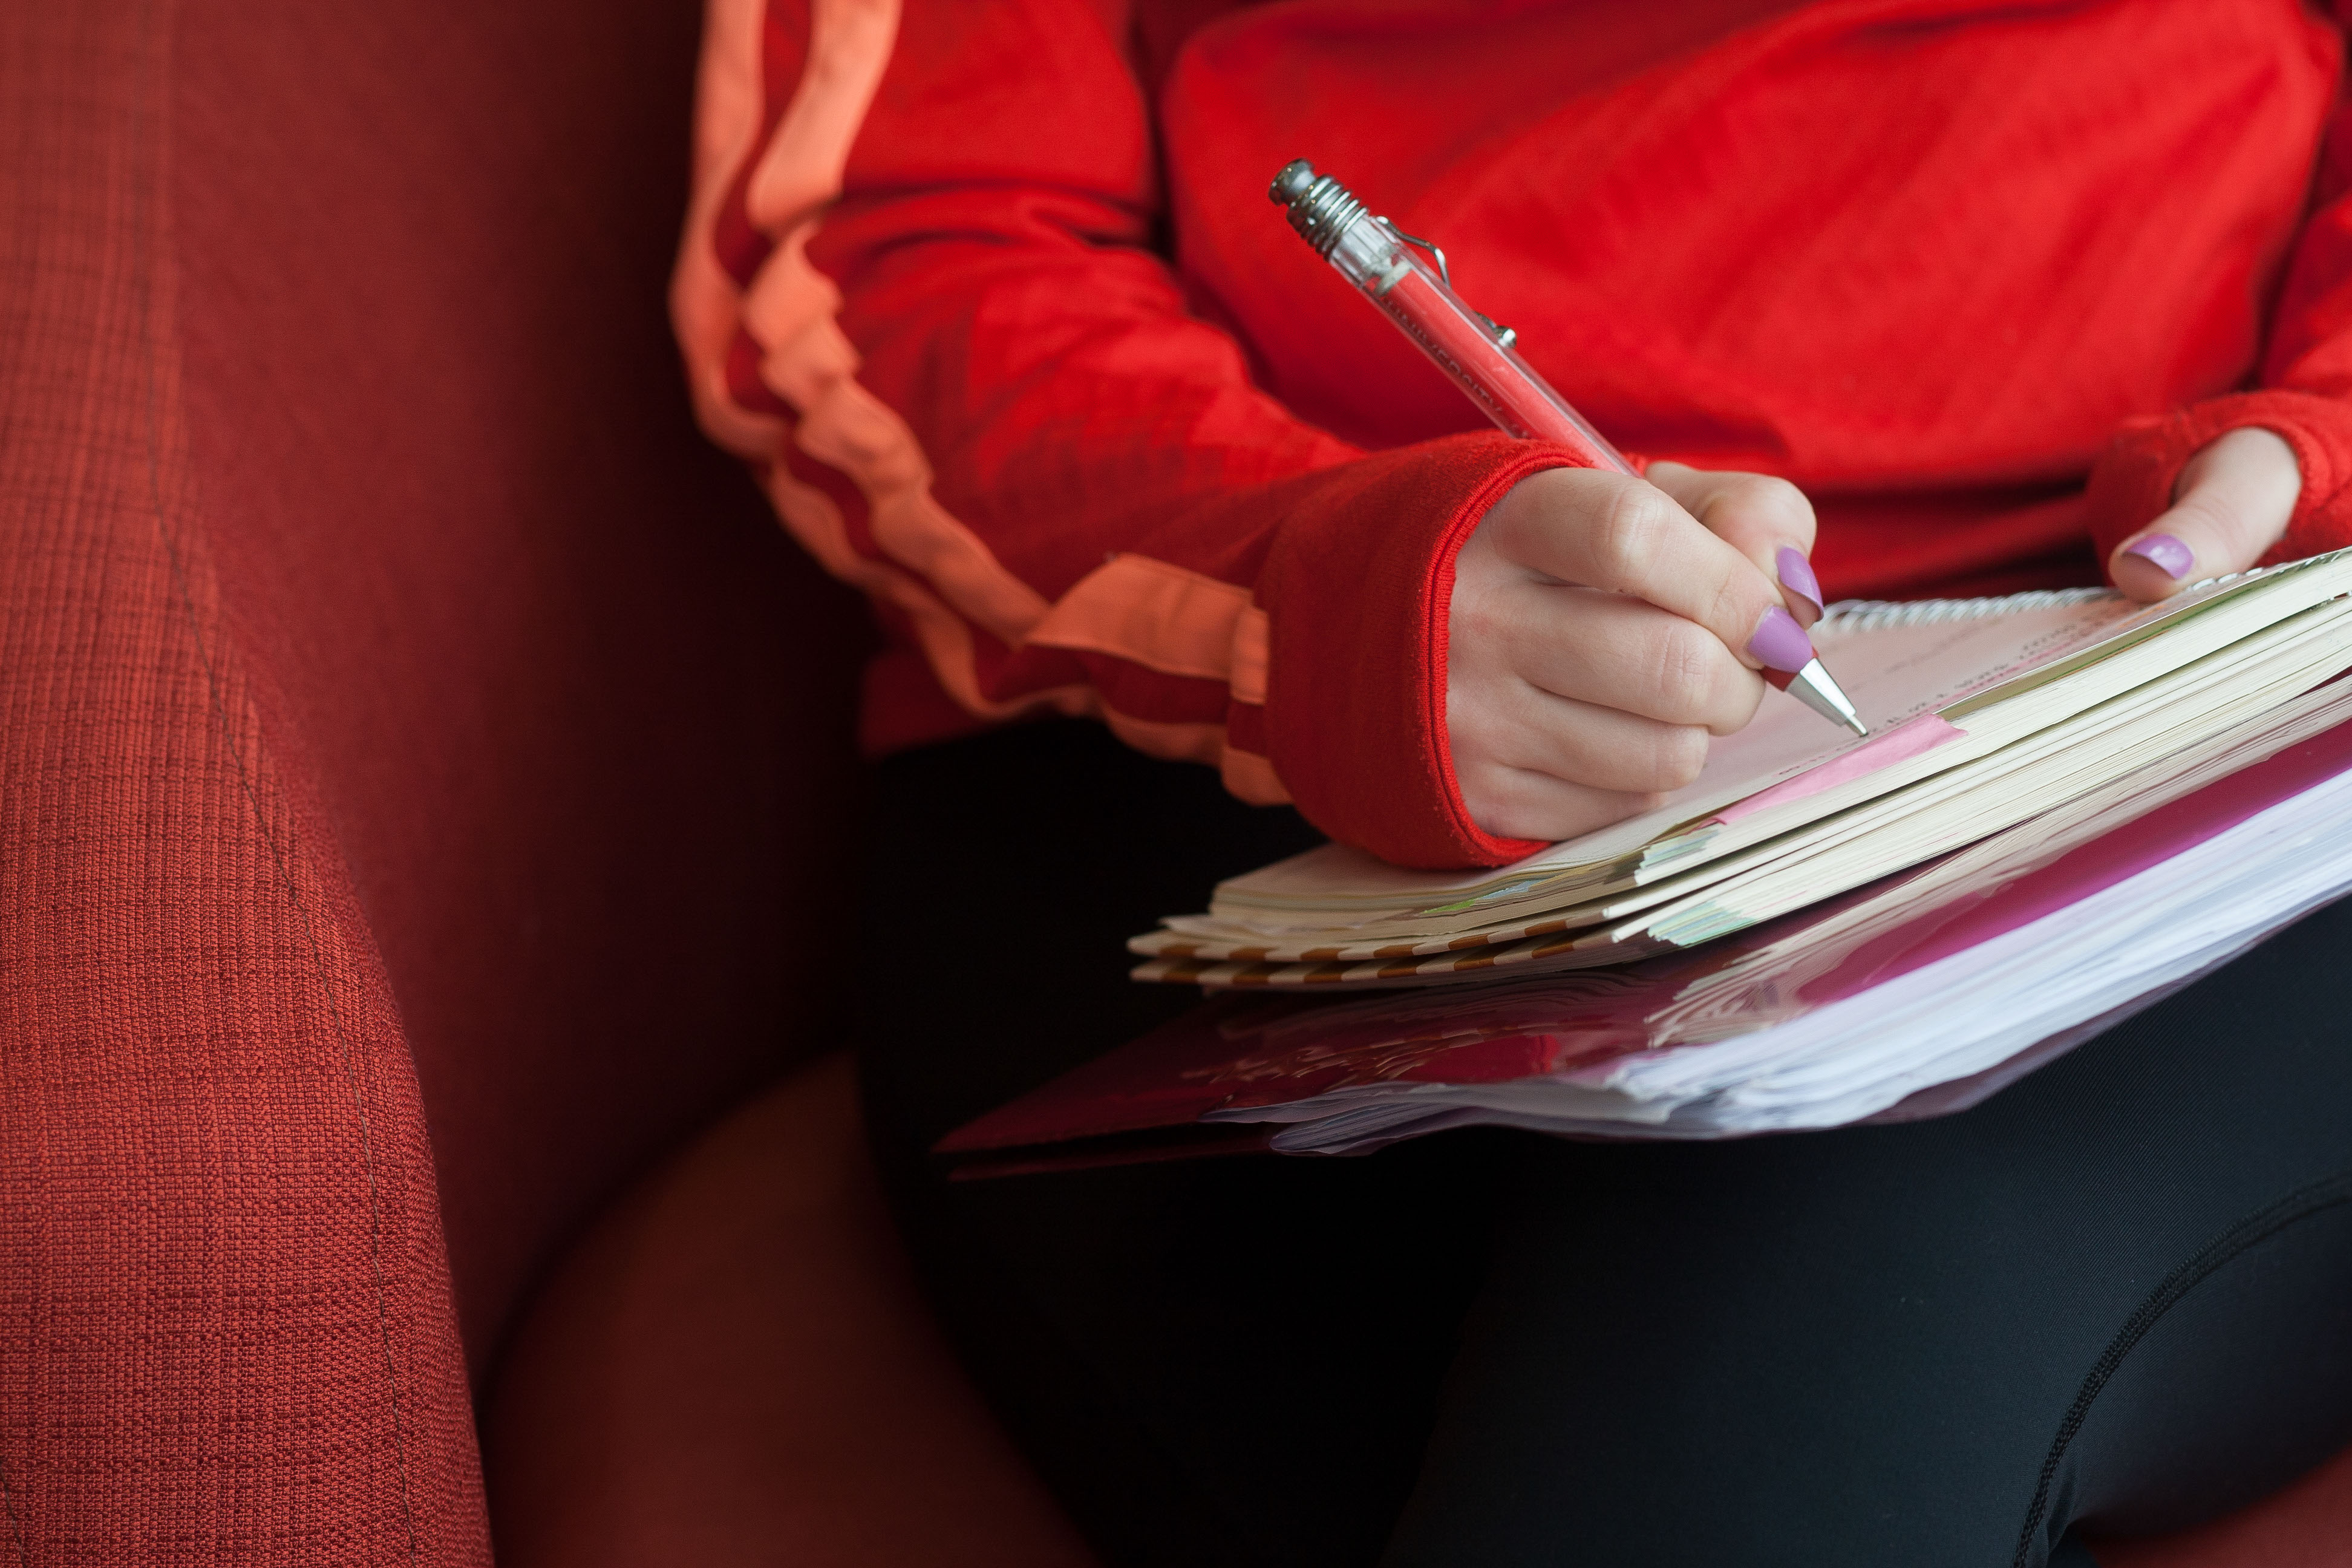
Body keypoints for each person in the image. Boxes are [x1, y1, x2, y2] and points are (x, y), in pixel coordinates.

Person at [675, 1, 2352, 1562]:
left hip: (2195, 667)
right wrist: (1305, 596)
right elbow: (905, 238)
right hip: (1227, 732)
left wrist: (2322, 440)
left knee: (1784, 1309)